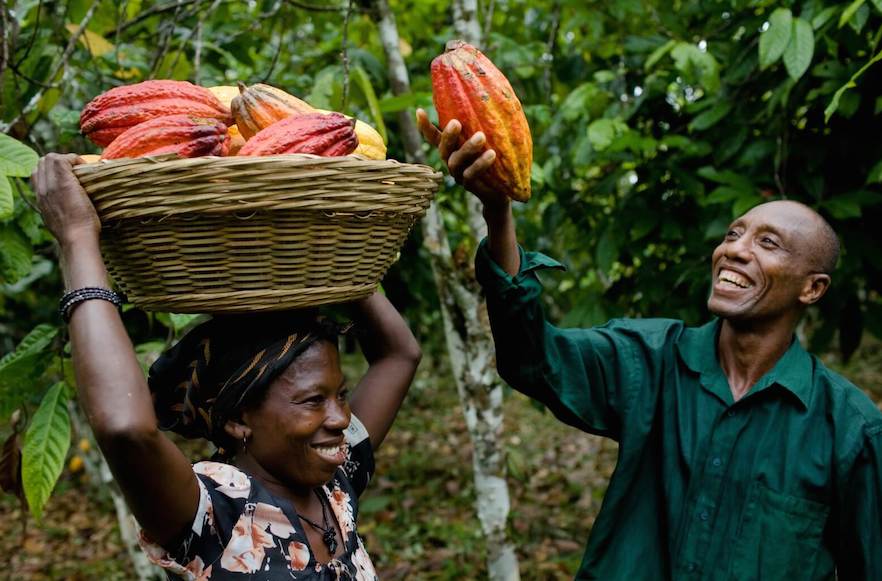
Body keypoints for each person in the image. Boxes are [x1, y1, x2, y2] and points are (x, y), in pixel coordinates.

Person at [416, 110, 882, 580]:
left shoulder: (849, 430)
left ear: (813, 289)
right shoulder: (651, 359)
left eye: (769, 243)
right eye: (734, 234)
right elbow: (535, 359)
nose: (735, 250)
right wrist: (498, 213)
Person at [33, 153, 423, 580]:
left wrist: (333, 248)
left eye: (341, 395)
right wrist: (76, 236)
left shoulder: (334, 482)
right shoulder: (215, 510)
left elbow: (399, 355)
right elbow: (125, 428)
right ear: (239, 417)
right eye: (314, 400)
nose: (341, 417)